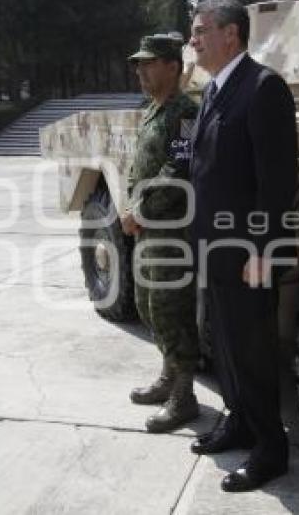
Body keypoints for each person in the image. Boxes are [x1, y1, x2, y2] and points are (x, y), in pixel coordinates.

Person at [187, 0, 299, 492]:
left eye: (198, 32)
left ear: (229, 34)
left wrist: (261, 251)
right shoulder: (214, 89)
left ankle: (271, 448)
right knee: (225, 343)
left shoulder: (263, 87)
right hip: (213, 246)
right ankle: (238, 420)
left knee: (253, 349)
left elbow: (276, 184)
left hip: (247, 252)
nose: (192, 41)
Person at [122, 33, 200, 433]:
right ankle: (168, 378)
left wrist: (141, 210)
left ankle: (184, 398)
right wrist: (130, 206)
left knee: (172, 309)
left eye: (149, 62)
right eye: (138, 63)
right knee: (149, 303)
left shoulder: (185, 112)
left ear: (173, 67)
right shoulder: (154, 109)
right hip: (149, 229)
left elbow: (178, 170)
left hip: (172, 230)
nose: (141, 70)